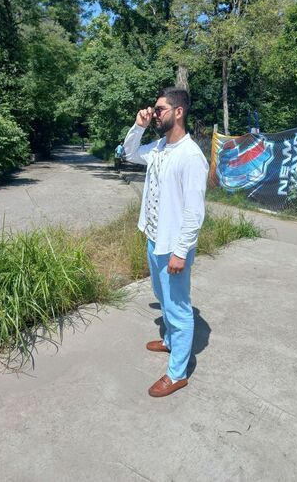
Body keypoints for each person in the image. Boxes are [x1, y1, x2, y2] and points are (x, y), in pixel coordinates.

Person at [123, 87, 209, 397]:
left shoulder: (191, 156)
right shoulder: (159, 148)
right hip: (154, 240)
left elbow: (194, 212)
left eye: (160, 110)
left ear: (178, 112)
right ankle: (171, 341)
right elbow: (129, 153)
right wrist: (139, 126)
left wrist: (181, 252)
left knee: (179, 309)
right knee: (162, 297)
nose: (155, 113)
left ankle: (177, 374)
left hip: (173, 247)